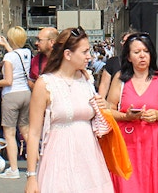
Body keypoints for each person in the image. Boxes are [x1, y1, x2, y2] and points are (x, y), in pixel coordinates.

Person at [24, 26, 113, 193]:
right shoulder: (45, 84)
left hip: (89, 158)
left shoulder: (87, 80)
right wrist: (31, 176)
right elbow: (34, 132)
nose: (89, 56)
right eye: (85, 51)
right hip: (58, 159)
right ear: (68, 54)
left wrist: (103, 106)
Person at [107, 31, 158, 193]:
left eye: (146, 52)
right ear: (128, 56)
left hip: (154, 141)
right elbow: (108, 109)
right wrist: (126, 116)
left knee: (155, 184)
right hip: (127, 142)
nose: (142, 56)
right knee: (127, 185)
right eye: (137, 52)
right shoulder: (120, 78)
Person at [0, 26, 31, 179]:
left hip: (12, 95)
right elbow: (15, 56)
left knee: (9, 133)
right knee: (27, 131)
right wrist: (7, 47)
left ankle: (14, 169)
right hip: (26, 93)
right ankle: (36, 164)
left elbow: (8, 81)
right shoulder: (26, 53)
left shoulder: (8, 58)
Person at [98, 30, 133, 99]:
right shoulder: (112, 62)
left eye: (129, 41)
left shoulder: (141, 63)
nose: (126, 43)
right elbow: (104, 86)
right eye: (123, 41)